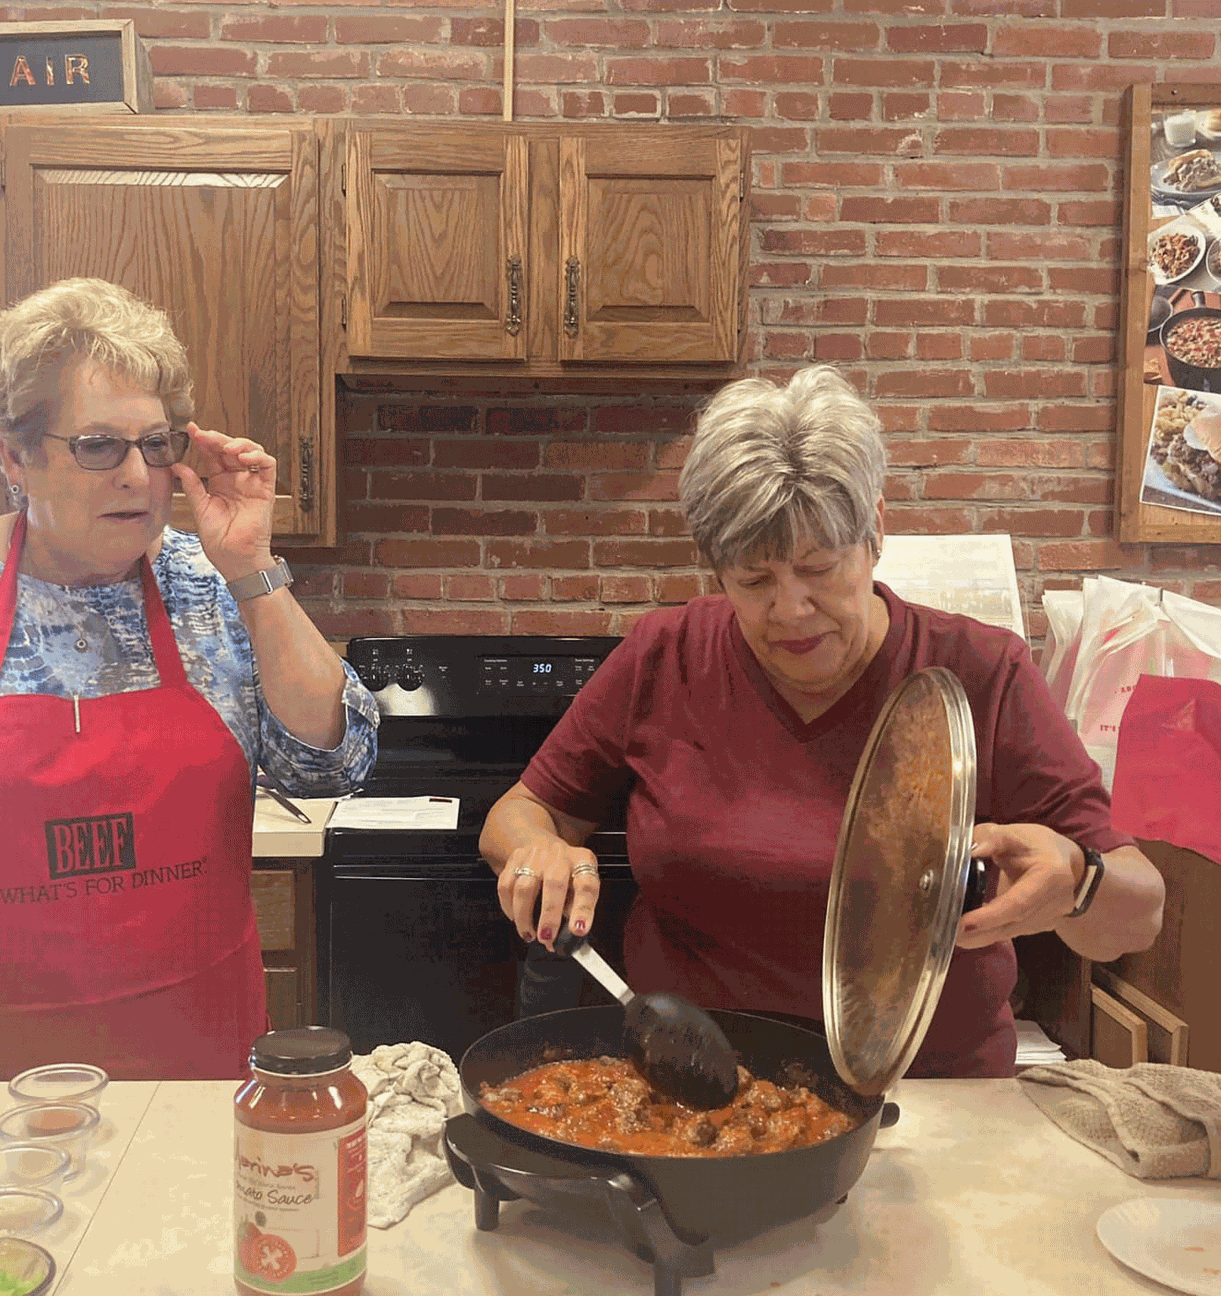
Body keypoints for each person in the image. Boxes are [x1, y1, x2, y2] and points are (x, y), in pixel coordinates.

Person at [0, 277, 377, 1089]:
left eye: (156, 445)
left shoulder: (207, 587)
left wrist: (254, 569)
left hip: (190, 1091)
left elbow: (332, 766)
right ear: (12, 453)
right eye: (98, 446)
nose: (136, 476)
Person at [480, 364, 1165, 1079]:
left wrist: (1080, 882)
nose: (792, 609)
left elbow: (1138, 912)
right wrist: (537, 851)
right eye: (754, 580)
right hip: (696, 1082)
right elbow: (520, 814)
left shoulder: (983, 672)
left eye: (821, 568)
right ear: (716, 571)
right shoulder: (665, 656)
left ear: (874, 533)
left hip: (927, 1096)